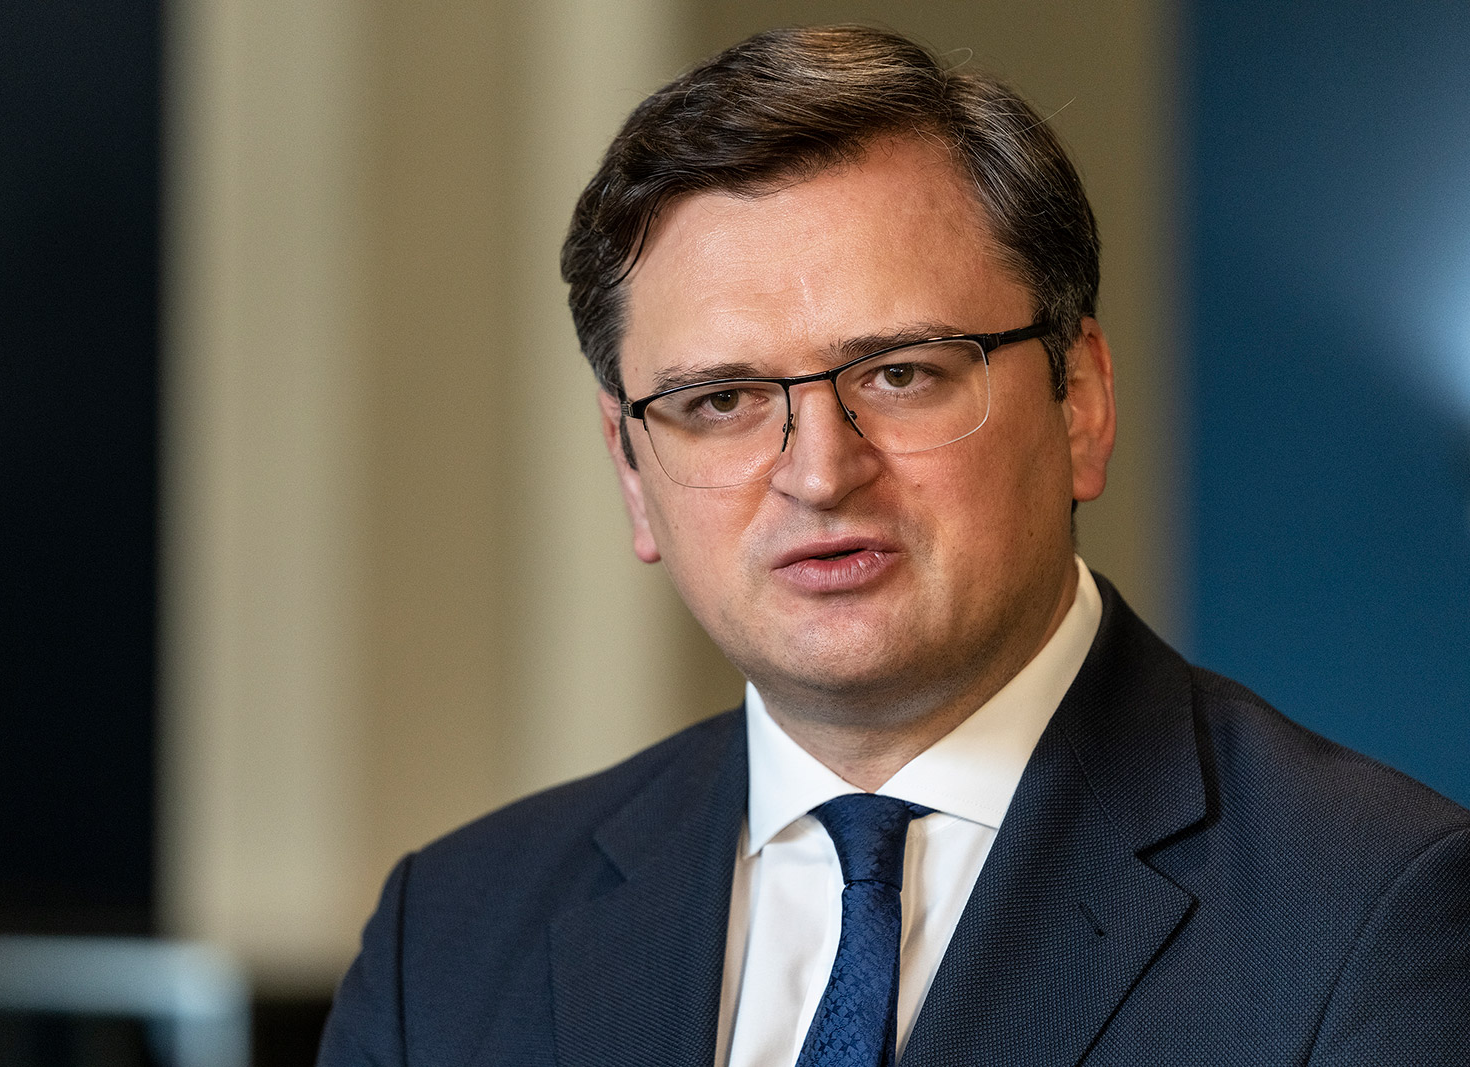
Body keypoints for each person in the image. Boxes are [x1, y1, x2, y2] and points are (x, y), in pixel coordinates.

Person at [317, 25, 1470, 1066]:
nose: (819, 471)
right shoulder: (453, 939)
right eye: (718, 399)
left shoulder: (1377, 912)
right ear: (630, 468)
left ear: (1080, 401)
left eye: (901, 373)